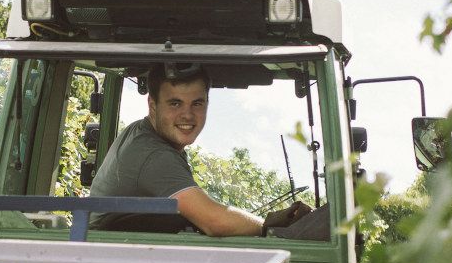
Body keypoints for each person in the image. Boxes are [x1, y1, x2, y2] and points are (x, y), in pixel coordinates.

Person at [89, 63, 313, 236]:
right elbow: (215, 222)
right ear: (152, 105)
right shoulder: (153, 154)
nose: (187, 115)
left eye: (197, 103)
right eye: (175, 103)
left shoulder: (145, 133)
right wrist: (267, 226)